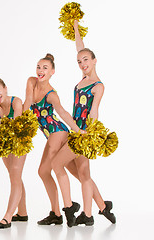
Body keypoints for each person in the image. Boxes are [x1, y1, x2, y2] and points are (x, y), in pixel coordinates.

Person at [51, 20, 116, 226]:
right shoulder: (83, 77)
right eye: (79, 62)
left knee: (59, 165)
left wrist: (90, 135)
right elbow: (80, 47)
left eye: (86, 60)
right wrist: (76, 28)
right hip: (75, 131)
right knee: (83, 173)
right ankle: (97, 209)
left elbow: (94, 109)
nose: (82, 64)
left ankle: (82, 210)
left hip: (83, 133)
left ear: (95, 60)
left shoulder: (98, 85)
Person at [23, 54, 84, 227]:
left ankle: (67, 207)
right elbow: (27, 101)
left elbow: (63, 114)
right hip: (50, 135)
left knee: (51, 169)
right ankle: (57, 213)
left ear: (52, 72)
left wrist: (78, 130)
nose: (40, 71)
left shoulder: (51, 94)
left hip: (58, 132)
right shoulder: (31, 82)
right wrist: (15, 123)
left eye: (45, 68)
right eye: (38, 67)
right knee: (51, 172)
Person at [0, 75, 27, 229]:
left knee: (15, 174)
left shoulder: (16, 101)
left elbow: (17, 124)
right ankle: (22, 213)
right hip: (4, 142)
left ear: (5, 88)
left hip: (18, 140)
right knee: (14, 175)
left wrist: (3, 127)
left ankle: (7, 217)